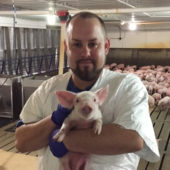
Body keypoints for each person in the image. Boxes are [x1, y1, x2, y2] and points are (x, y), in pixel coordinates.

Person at [15, 11, 160, 170]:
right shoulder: (48, 88)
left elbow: (133, 138)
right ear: (66, 47)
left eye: (93, 44)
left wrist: (64, 139)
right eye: (76, 44)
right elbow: (22, 141)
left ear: (106, 46)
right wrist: (55, 119)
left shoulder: (126, 85)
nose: (85, 53)